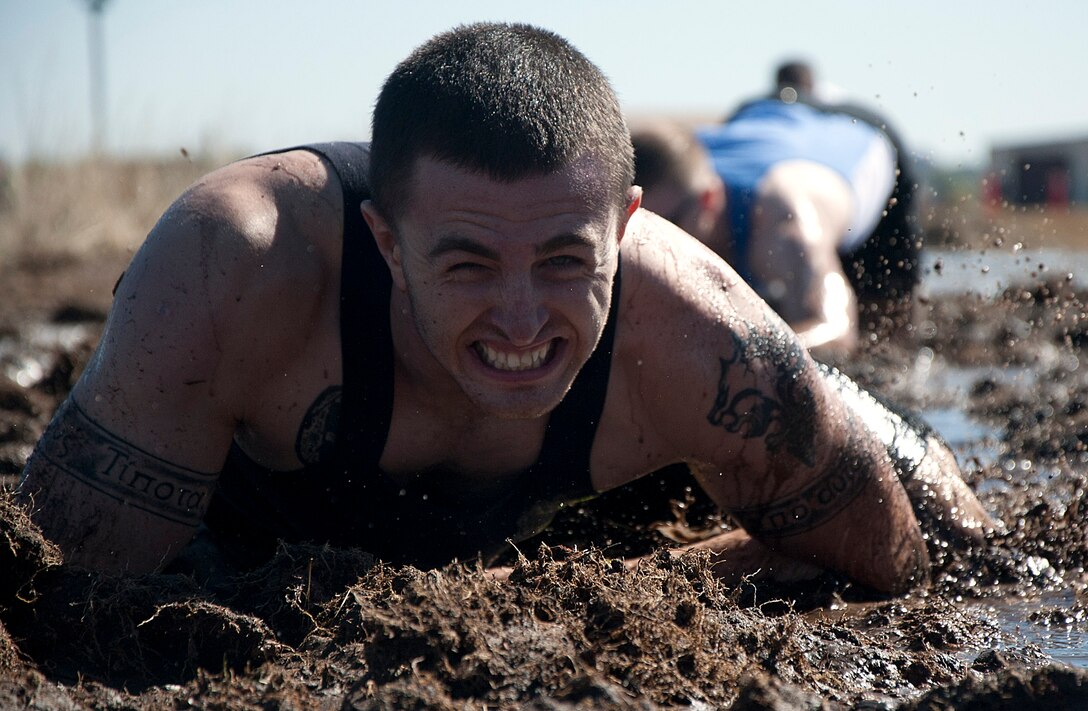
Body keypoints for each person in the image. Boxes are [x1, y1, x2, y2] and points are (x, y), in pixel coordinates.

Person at [16, 23, 992, 595]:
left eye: (566, 259)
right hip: (248, 511)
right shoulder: (236, 270)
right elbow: (59, 594)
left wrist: (655, 586)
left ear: (624, 231)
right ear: (387, 244)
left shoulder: (699, 333)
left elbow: (886, 559)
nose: (520, 320)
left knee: (949, 515)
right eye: (470, 264)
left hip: (596, 501)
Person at [634, 62, 922, 356]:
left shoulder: (788, 223)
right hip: (759, 113)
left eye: (668, 224)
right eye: (642, 227)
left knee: (884, 337)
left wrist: (736, 357)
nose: (655, 242)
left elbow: (835, 330)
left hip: (860, 132)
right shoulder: (675, 182)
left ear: (709, 200)